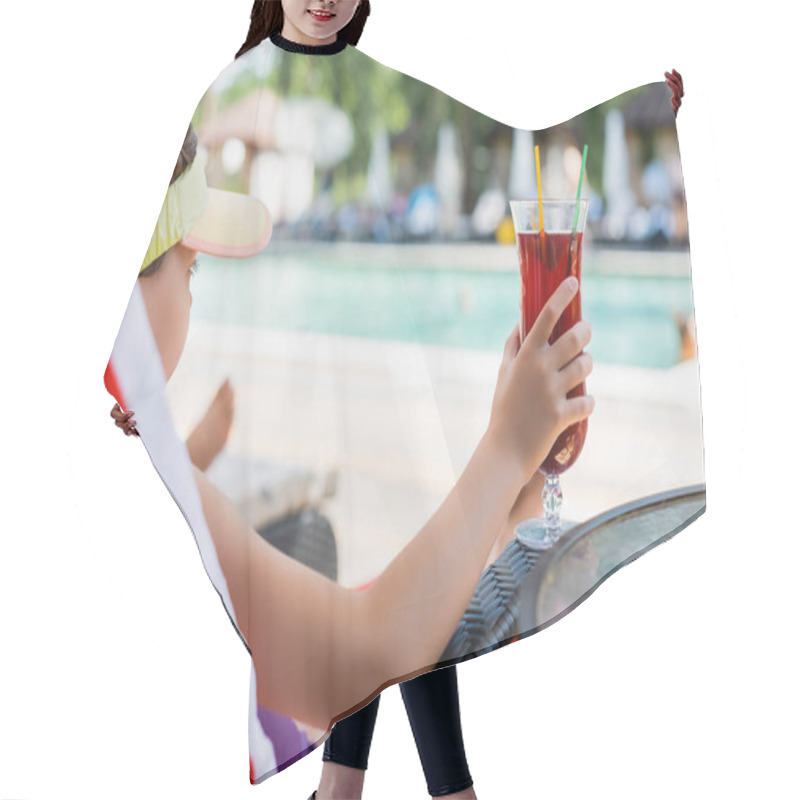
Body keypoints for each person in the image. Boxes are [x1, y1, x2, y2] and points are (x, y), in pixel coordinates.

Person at [105, 119, 594, 732]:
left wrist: (513, 473)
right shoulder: (152, 486)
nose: (194, 297)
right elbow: (361, 661)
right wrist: (507, 448)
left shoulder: (120, 456)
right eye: (191, 269)